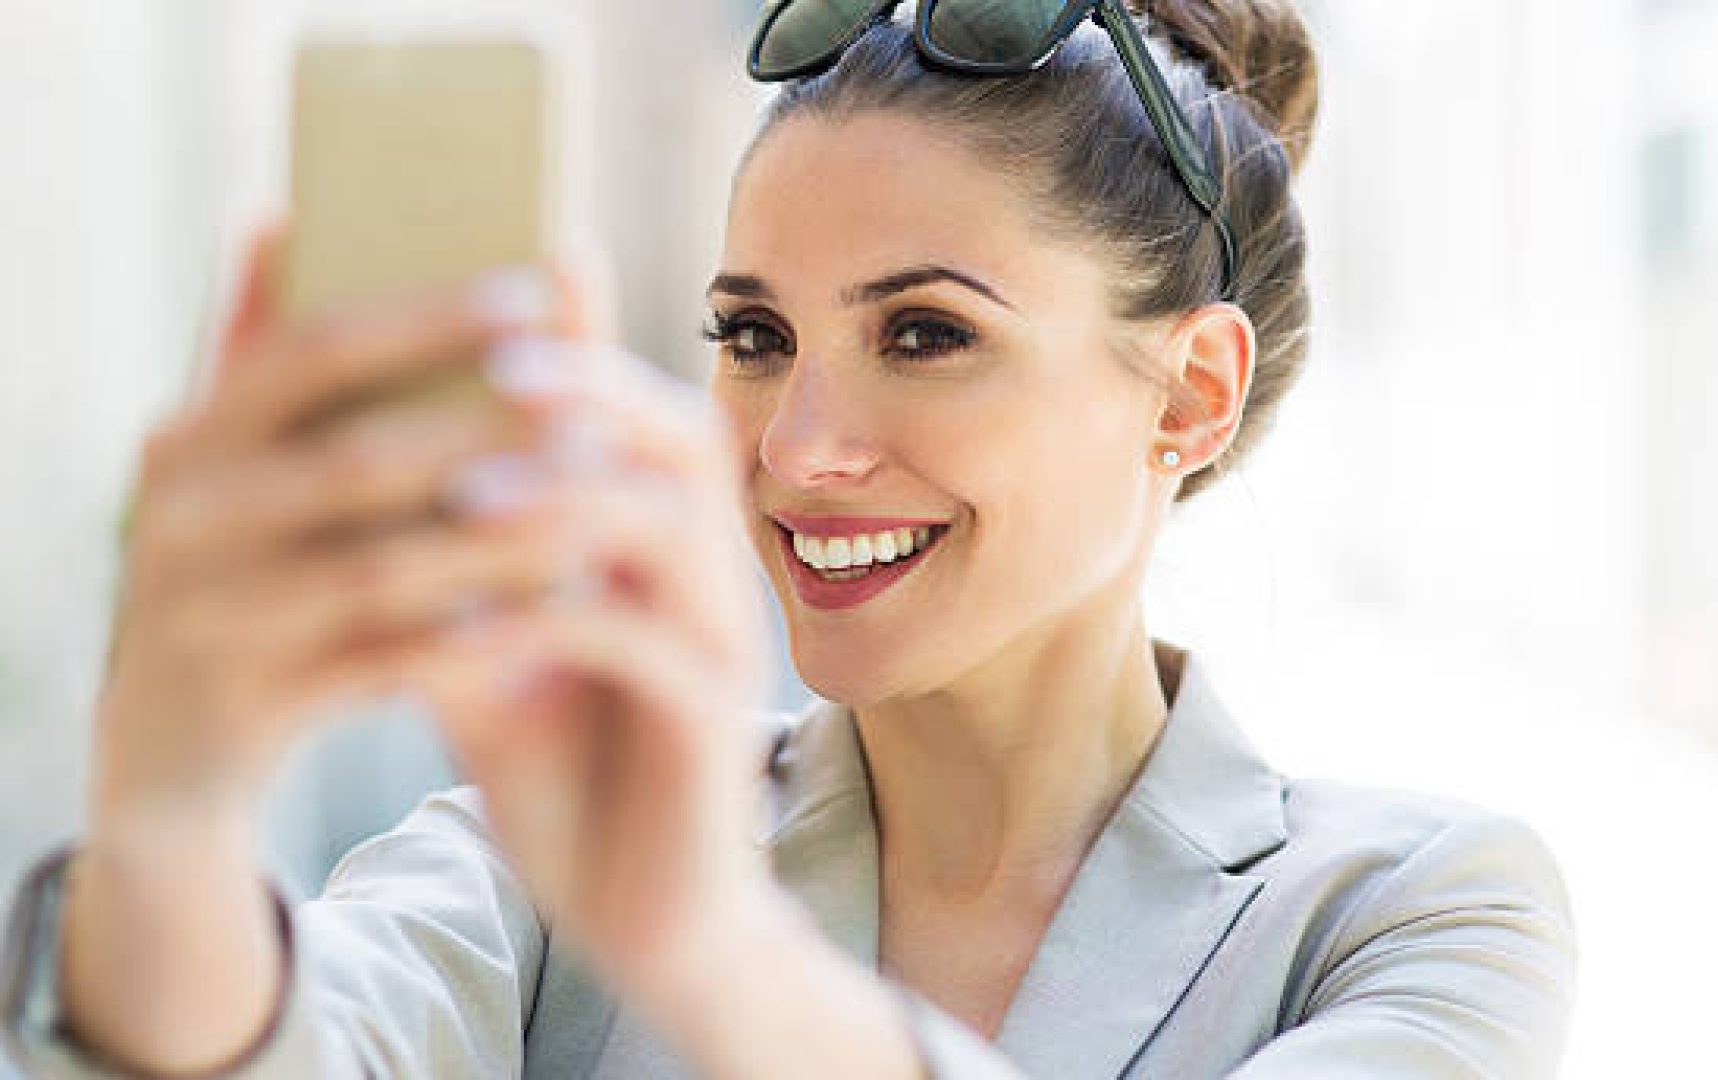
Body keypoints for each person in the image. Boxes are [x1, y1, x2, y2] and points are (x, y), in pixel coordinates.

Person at [0, 1, 1577, 1076]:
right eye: (753, 338)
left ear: (1192, 392)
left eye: (926, 337)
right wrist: (175, 806)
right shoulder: (534, 862)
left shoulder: (1411, 912)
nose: (798, 450)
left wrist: (704, 943)